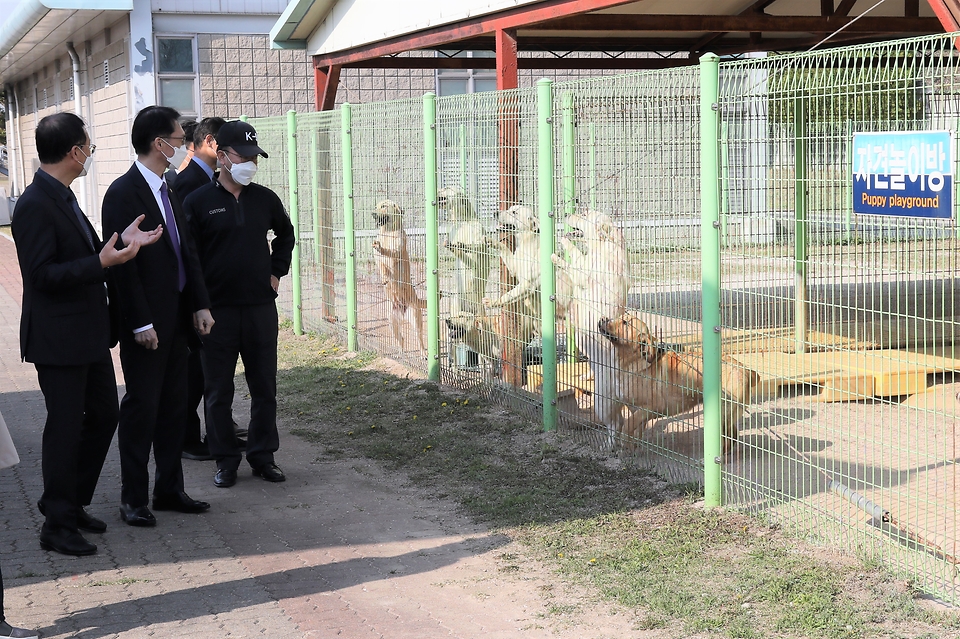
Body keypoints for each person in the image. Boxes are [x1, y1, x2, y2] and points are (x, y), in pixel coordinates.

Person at [11, 112, 163, 555]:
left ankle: (69, 501)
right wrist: (100, 264)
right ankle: (56, 525)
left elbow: (84, 254)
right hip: (59, 341)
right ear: (75, 151)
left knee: (103, 415)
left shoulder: (63, 195)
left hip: (89, 335)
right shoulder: (36, 203)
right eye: (89, 147)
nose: (90, 155)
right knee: (64, 427)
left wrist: (121, 245)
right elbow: (42, 275)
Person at [102, 105, 215, 527]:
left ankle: (169, 489)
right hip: (147, 324)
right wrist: (139, 322)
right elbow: (122, 268)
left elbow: (188, 254)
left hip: (179, 319)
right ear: (158, 143)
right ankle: (133, 496)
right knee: (142, 409)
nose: (184, 144)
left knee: (173, 408)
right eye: (178, 137)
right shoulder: (122, 192)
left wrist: (200, 303)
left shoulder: (168, 188)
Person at [183, 120, 294, 488]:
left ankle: (263, 456)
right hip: (217, 314)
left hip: (261, 309)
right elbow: (190, 257)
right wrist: (199, 305)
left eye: (254, 157)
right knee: (218, 392)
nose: (250, 163)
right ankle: (226, 461)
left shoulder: (265, 199)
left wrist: (277, 271)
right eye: (243, 156)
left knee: (265, 388)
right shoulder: (197, 202)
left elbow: (286, 235)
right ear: (223, 156)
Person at [170, 116, 229, 462]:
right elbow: (189, 245)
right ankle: (187, 437)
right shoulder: (189, 182)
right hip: (198, 290)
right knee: (194, 371)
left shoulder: (206, 178)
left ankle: (206, 430)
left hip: (211, 290)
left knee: (205, 369)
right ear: (209, 143)